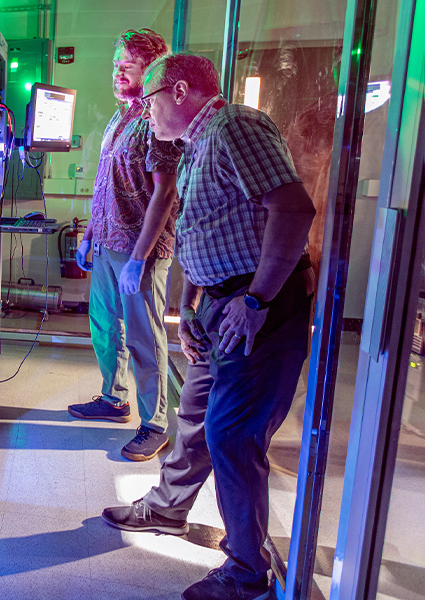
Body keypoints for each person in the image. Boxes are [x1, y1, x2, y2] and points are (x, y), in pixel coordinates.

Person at [101, 53, 316, 600]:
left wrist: (258, 299)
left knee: (232, 436)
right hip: (219, 306)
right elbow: (205, 233)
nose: (144, 112)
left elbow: (292, 210)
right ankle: (169, 509)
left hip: (254, 307)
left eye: (148, 101)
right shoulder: (196, 147)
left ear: (177, 91)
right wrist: (191, 310)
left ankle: (247, 575)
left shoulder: (234, 126)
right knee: (194, 412)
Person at [66, 28, 181, 462]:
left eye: (125, 65)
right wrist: (90, 234)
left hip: (140, 251)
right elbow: (105, 184)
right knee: (103, 326)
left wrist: (138, 259)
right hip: (108, 244)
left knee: (144, 337)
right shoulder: (120, 117)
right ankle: (113, 399)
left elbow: (165, 193)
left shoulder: (159, 119)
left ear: (149, 68)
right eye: (115, 64)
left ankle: (155, 424)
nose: (116, 71)